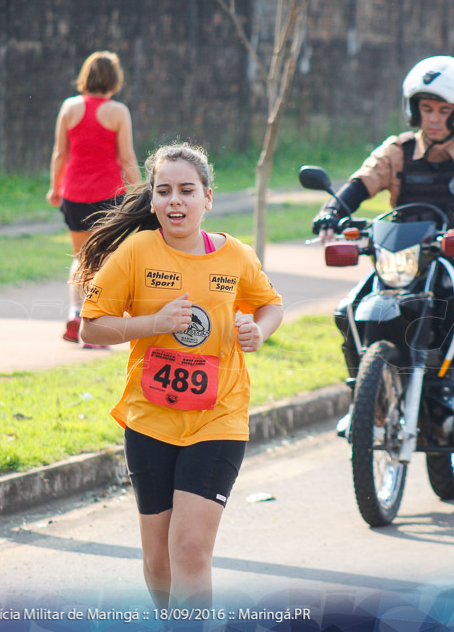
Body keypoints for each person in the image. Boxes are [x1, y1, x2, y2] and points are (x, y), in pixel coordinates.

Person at [76, 142, 284, 608]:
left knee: (190, 550)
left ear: (207, 198)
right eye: (164, 191)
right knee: (158, 560)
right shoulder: (135, 252)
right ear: (151, 200)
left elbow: (271, 304)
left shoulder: (237, 258)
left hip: (219, 418)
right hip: (151, 419)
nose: (176, 201)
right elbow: (91, 325)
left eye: (187, 190)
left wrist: (259, 331)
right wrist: (154, 324)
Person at [311, 55, 454, 442]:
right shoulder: (397, 150)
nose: (434, 118)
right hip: (402, 258)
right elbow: (362, 182)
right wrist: (331, 210)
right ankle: (362, 402)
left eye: (444, 110)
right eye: (426, 108)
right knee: (348, 312)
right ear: (413, 109)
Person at [48, 50, 141, 347]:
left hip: (74, 195)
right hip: (108, 197)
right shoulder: (118, 112)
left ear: (86, 77)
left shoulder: (69, 107)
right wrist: (141, 192)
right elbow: (126, 158)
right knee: (103, 261)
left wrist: (54, 188)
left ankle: (76, 313)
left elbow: (60, 153)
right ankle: (93, 327)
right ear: (115, 80)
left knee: (80, 257)